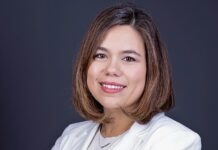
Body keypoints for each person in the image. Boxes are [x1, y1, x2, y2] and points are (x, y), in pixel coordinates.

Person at [52, 3, 201, 150]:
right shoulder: (70, 137)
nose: (111, 69)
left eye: (128, 59)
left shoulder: (176, 141)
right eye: (100, 55)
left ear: (152, 69)